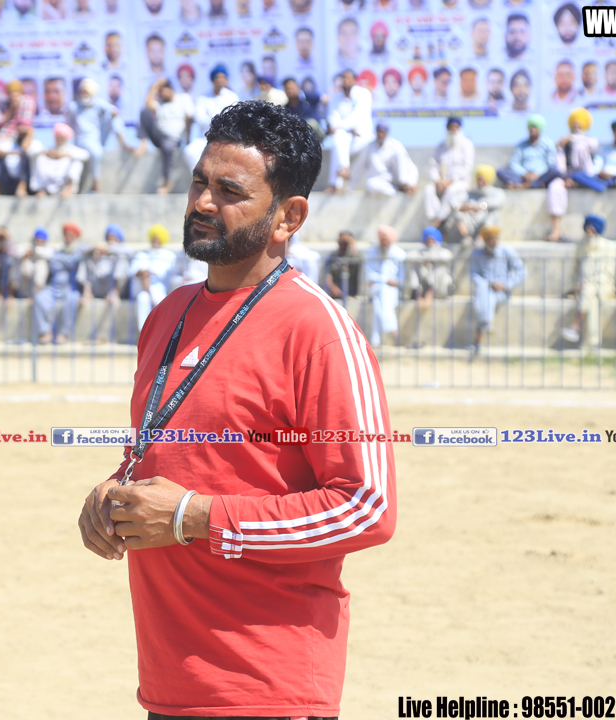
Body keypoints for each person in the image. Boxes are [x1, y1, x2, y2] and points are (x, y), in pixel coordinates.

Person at [76, 99, 395, 720]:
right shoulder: (167, 315)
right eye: (199, 182)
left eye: (229, 191)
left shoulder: (318, 331)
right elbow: (170, 458)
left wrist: (194, 516)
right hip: (170, 685)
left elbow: (365, 508)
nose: (201, 202)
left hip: (270, 688)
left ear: (288, 216)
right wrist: (116, 494)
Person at [561, 215, 616, 350]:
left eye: (592, 230)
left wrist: (590, 283)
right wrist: (576, 285)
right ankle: (592, 345)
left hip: (604, 287)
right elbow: (575, 270)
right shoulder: (580, 246)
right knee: (592, 302)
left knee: (589, 290)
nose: (589, 232)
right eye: (587, 229)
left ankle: (575, 325)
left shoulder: (609, 247)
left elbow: (609, 273)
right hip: (585, 289)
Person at [67, 78, 130, 193]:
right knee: (96, 152)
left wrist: (110, 113)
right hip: (82, 140)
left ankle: (124, 144)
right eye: (83, 91)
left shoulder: (98, 103)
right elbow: (68, 126)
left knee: (115, 119)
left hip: (98, 138)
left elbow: (115, 111)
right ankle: (96, 184)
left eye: (87, 92)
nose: (84, 94)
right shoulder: (74, 107)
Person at [469, 225, 525, 354]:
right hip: (484, 290)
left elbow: (522, 271)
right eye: (490, 239)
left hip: (502, 292)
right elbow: (474, 276)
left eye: (495, 238)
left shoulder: (507, 251)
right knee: (485, 292)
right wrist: (488, 284)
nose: (493, 241)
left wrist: (506, 285)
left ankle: (479, 338)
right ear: (485, 241)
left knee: (485, 297)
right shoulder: (477, 254)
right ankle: (488, 323)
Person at [0, 81, 36, 197]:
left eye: (16, 92)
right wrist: (11, 108)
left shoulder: (27, 101)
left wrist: (18, 109)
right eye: (11, 92)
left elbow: (25, 124)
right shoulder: (1, 103)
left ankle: (22, 187)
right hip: (3, 137)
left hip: (20, 135)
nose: (13, 95)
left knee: (28, 151)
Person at [550, 108, 600, 242]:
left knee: (580, 146)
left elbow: (593, 146)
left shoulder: (590, 140)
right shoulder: (563, 143)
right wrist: (566, 178)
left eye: (579, 123)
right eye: (574, 124)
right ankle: (556, 229)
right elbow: (559, 165)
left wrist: (572, 138)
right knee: (555, 187)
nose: (576, 126)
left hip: (586, 177)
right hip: (568, 176)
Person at [137, 79, 194, 194]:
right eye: (159, 92)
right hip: (158, 136)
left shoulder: (183, 99)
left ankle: (167, 183)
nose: (160, 94)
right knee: (144, 112)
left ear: (170, 89)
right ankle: (143, 143)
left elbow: (189, 118)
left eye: (162, 91)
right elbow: (147, 103)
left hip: (173, 138)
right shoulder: (160, 103)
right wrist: (156, 85)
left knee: (167, 147)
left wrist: (188, 138)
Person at [35, 222, 87, 344]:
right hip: (53, 286)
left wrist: (62, 261)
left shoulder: (80, 250)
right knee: (39, 298)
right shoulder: (58, 251)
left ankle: (63, 334)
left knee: (71, 300)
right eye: (66, 234)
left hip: (70, 287)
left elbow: (74, 261)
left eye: (70, 234)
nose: (68, 237)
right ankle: (46, 332)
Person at [325, 70, 374, 194]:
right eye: (343, 78)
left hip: (362, 138)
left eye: (348, 78)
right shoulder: (335, 98)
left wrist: (343, 127)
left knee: (339, 138)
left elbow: (357, 116)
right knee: (338, 138)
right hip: (345, 138)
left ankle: (338, 182)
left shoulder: (364, 94)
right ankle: (343, 170)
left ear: (354, 80)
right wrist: (345, 129)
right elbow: (332, 119)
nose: (345, 80)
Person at [185, 65, 240, 172]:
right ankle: (202, 176)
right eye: (218, 77)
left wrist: (211, 116)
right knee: (190, 151)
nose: (221, 80)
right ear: (213, 79)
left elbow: (234, 120)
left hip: (226, 138)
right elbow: (200, 119)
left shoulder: (232, 97)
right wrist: (219, 118)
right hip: (206, 137)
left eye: (223, 77)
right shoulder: (203, 98)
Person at [424, 117, 475, 226]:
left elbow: (467, 168)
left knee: (451, 190)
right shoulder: (441, 147)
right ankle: (434, 218)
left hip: (460, 182)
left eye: (456, 127)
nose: (453, 130)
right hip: (441, 182)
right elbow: (433, 166)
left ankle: (440, 220)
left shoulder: (467, 144)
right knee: (428, 190)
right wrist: (438, 181)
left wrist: (451, 181)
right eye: (451, 127)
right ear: (447, 128)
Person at [129, 223, 176, 332]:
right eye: (154, 238)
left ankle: (161, 333)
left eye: (158, 238)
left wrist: (149, 273)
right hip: (142, 290)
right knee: (142, 299)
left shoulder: (168, 255)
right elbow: (133, 271)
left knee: (161, 303)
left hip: (160, 290)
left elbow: (164, 273)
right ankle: (143, 332)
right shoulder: (141, 254)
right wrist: (142, 273)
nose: (155, 241)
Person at [364, 225, 406, 346]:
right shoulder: (372, 252)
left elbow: (401, 279)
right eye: (382, 239)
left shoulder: (399, 254)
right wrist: (386, 280)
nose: (384, 242)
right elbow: (369, 274)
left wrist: (385, 281)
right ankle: (393, 330)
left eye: (386, 239)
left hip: (392, 290)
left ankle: (375, 341)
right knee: (382, 292)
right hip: (376, 287)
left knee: (378, 304)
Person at [352, 122, 417, 196]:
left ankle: (405, 185)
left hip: (396, 180)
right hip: (379, 183)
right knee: (370, 184)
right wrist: (350, 188)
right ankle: (396, 191)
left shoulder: (396, 146)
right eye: (378, 132)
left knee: (399, 154)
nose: (380, 135)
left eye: (382, 132)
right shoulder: (369, 147)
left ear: (387, 133)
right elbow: (358, 168)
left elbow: (411, 167)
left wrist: (411, 182)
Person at [444, 164, 504, 243]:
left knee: (493, 212)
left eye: (482, 180)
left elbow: (497, 202)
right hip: (470, 224)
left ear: (488, 180)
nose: (480, 182)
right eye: (478, 180)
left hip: (485, 225)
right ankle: (467, 238)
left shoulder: (497, 193)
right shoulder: (470, 193)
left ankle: (481, 240)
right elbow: (453, 201)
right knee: (456, 211)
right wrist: (460, 207)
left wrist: (480, 206)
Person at [498, 115, 560, 191]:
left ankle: (527, 185)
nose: (532, 129)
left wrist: (537, 173)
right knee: (501, 171)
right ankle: (528, 184)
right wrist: (524, 173)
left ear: (540, 129)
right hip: (523, 177)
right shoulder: (521, 145)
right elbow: (513, 163)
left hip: (540, 176)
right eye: (530, 127)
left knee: (555, 171)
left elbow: (551, 163)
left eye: (535, 127)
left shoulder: (548, 143)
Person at [571, 120, 616, 192]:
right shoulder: (604, 149)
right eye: (615, 131)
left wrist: (611, 175)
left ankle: (605, 185)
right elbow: (597, 166)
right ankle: (603, 186)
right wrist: (600, 173)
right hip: (603, 179)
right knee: (577, 175)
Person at [28, 124, 91, 198]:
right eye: (58, 137)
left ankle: (69, 187)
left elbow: (86, 155)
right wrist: (47, 153)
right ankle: (42, 189)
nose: (59, 139)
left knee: (77, 162)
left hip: (63, 180)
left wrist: (63, 155)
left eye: (62, 138)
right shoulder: (50, 149)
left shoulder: (71, 150)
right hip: (49, 178)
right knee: (40, 158)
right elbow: (30, 152)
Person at [407, 226, 453, 310]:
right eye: (427, 239)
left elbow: (446, 257)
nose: (430, 241)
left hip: (440, 287)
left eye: (432, 239)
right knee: (413, 265)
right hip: (423, 285)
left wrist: (430, 259)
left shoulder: (444, 252)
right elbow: (409, 257)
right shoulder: (421, 252)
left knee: (440, 267)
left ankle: (430, 294)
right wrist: (423, 259)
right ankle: (417, 293)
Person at [325, 229, 363, 300]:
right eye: (341, 242)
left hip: (351, 294)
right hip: (335, 294)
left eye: (345, 242)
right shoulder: (333, 257)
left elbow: (360, 265)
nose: (343, 245)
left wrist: (352, 245)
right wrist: (333, 288)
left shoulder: (355, 257)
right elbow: (327, 275)